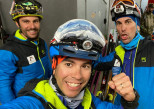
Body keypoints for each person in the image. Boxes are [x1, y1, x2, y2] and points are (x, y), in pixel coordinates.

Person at [0, 19, 139, 109]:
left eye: (85, 66)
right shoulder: (35, 103)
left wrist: (129, 101)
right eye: (68, 64)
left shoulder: (89, 101)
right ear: (54, 66)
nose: (77, 76)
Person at [0, 0, 52, 104]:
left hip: (45, 95)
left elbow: (47, 67)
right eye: (26, 21)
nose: (32, 26)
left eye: (35, 21)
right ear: (17, 23)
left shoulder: (41, 43)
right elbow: (3, 84)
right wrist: (13, 106)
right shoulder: (8, 51)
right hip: (26, 101)